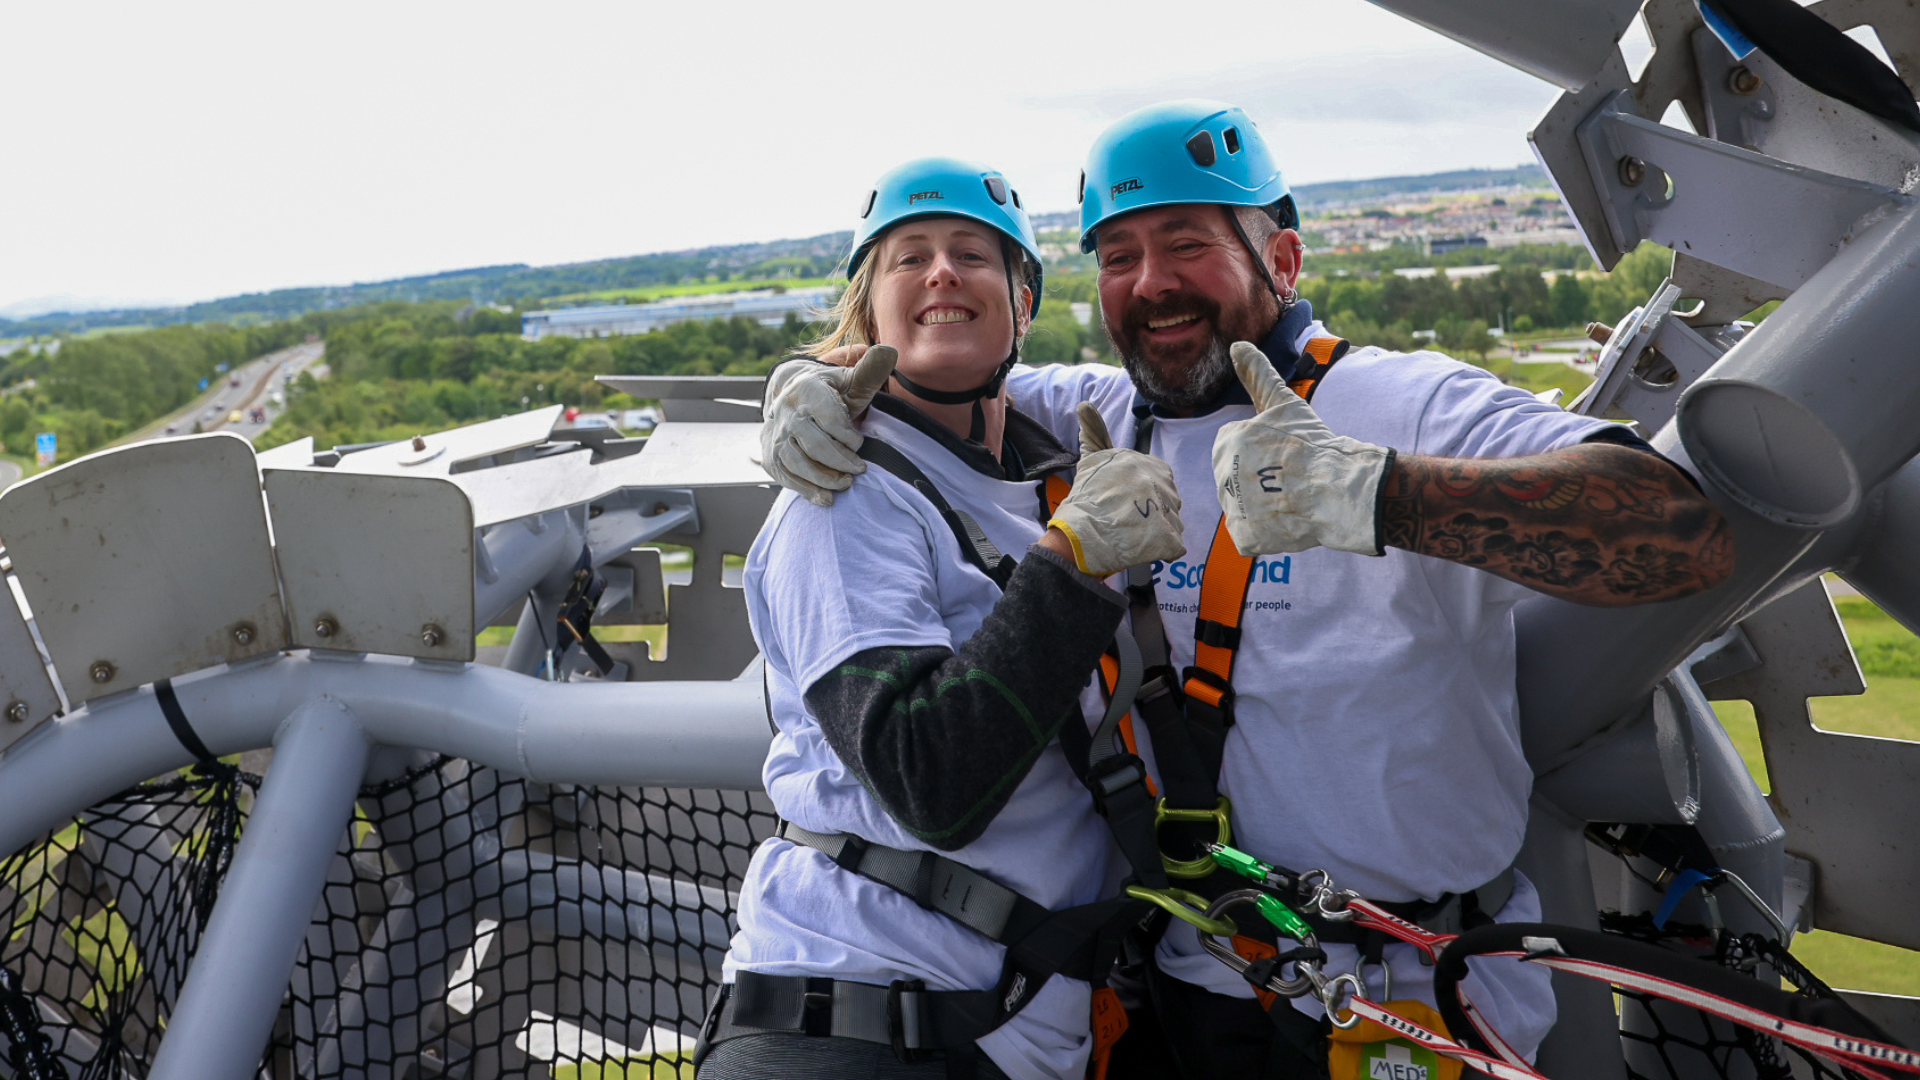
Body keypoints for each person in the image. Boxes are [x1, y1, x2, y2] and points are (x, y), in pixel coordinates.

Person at [755, 102, 1734, 1079]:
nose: (1151, 284)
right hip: (1196, 988)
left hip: (1414, 992)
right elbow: (938, 361)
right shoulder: (1098, 414)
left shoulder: (1406, 404)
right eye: (1118, 256)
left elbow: (1675, 534)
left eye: (1186, 243)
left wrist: (1383, 495)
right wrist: (806, 378)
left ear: (1285, 262)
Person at [701, 157, 1188, 1080]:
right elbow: (929, 780)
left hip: (993, 1024)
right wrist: (1072, 563)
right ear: (869, 312)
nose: (941, 273)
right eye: (907, 258)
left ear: (1023, 302)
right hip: (859, 1025)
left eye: (973, 253)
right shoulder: (842, 494)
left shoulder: (1043, 462)